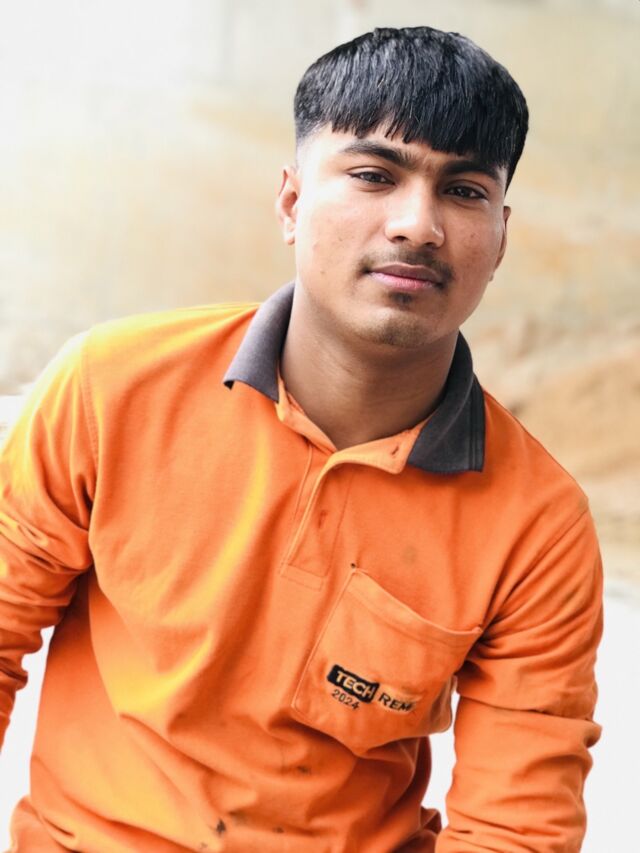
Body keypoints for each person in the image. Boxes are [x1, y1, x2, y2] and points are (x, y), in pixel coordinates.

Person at [0, 25, 602, 853]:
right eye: (374, 175)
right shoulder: (113, 389)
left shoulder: (537, 523)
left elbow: (515, 826)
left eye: (463, 190)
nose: (417, 225)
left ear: (500, 237)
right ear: (290, 203)